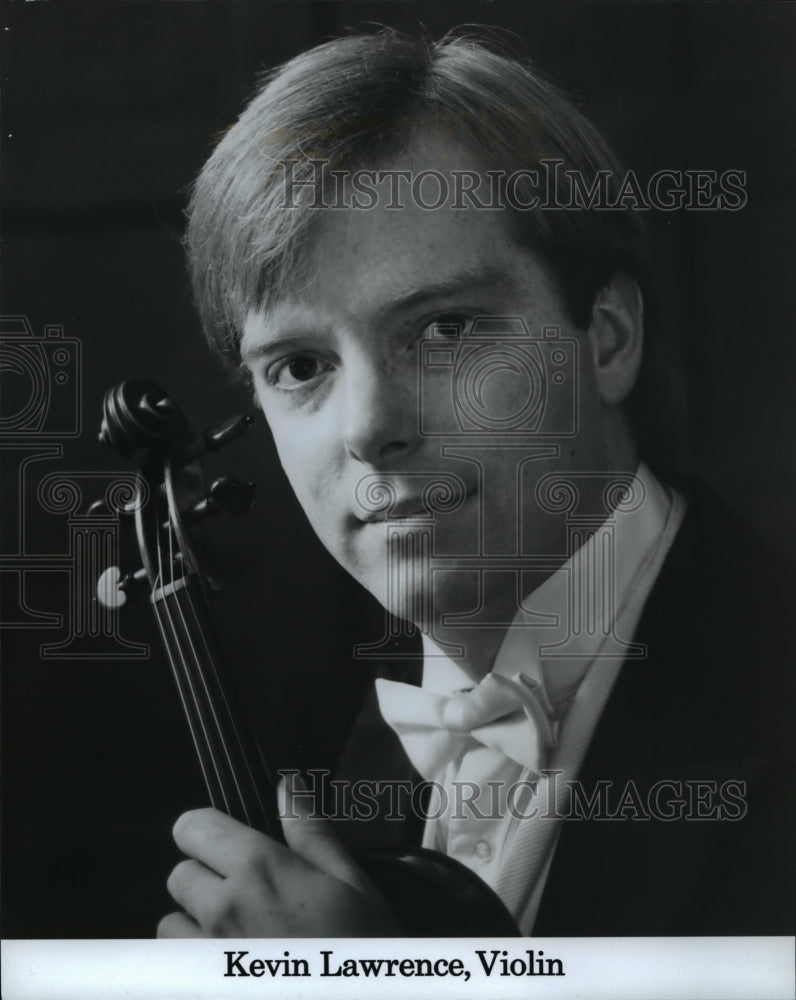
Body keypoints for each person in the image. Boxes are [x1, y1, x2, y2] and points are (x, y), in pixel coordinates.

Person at [156, 28, 793, 937]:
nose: (370, 430)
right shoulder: (354, 778)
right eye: (301, 367)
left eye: (446, 330)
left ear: (607, 339)